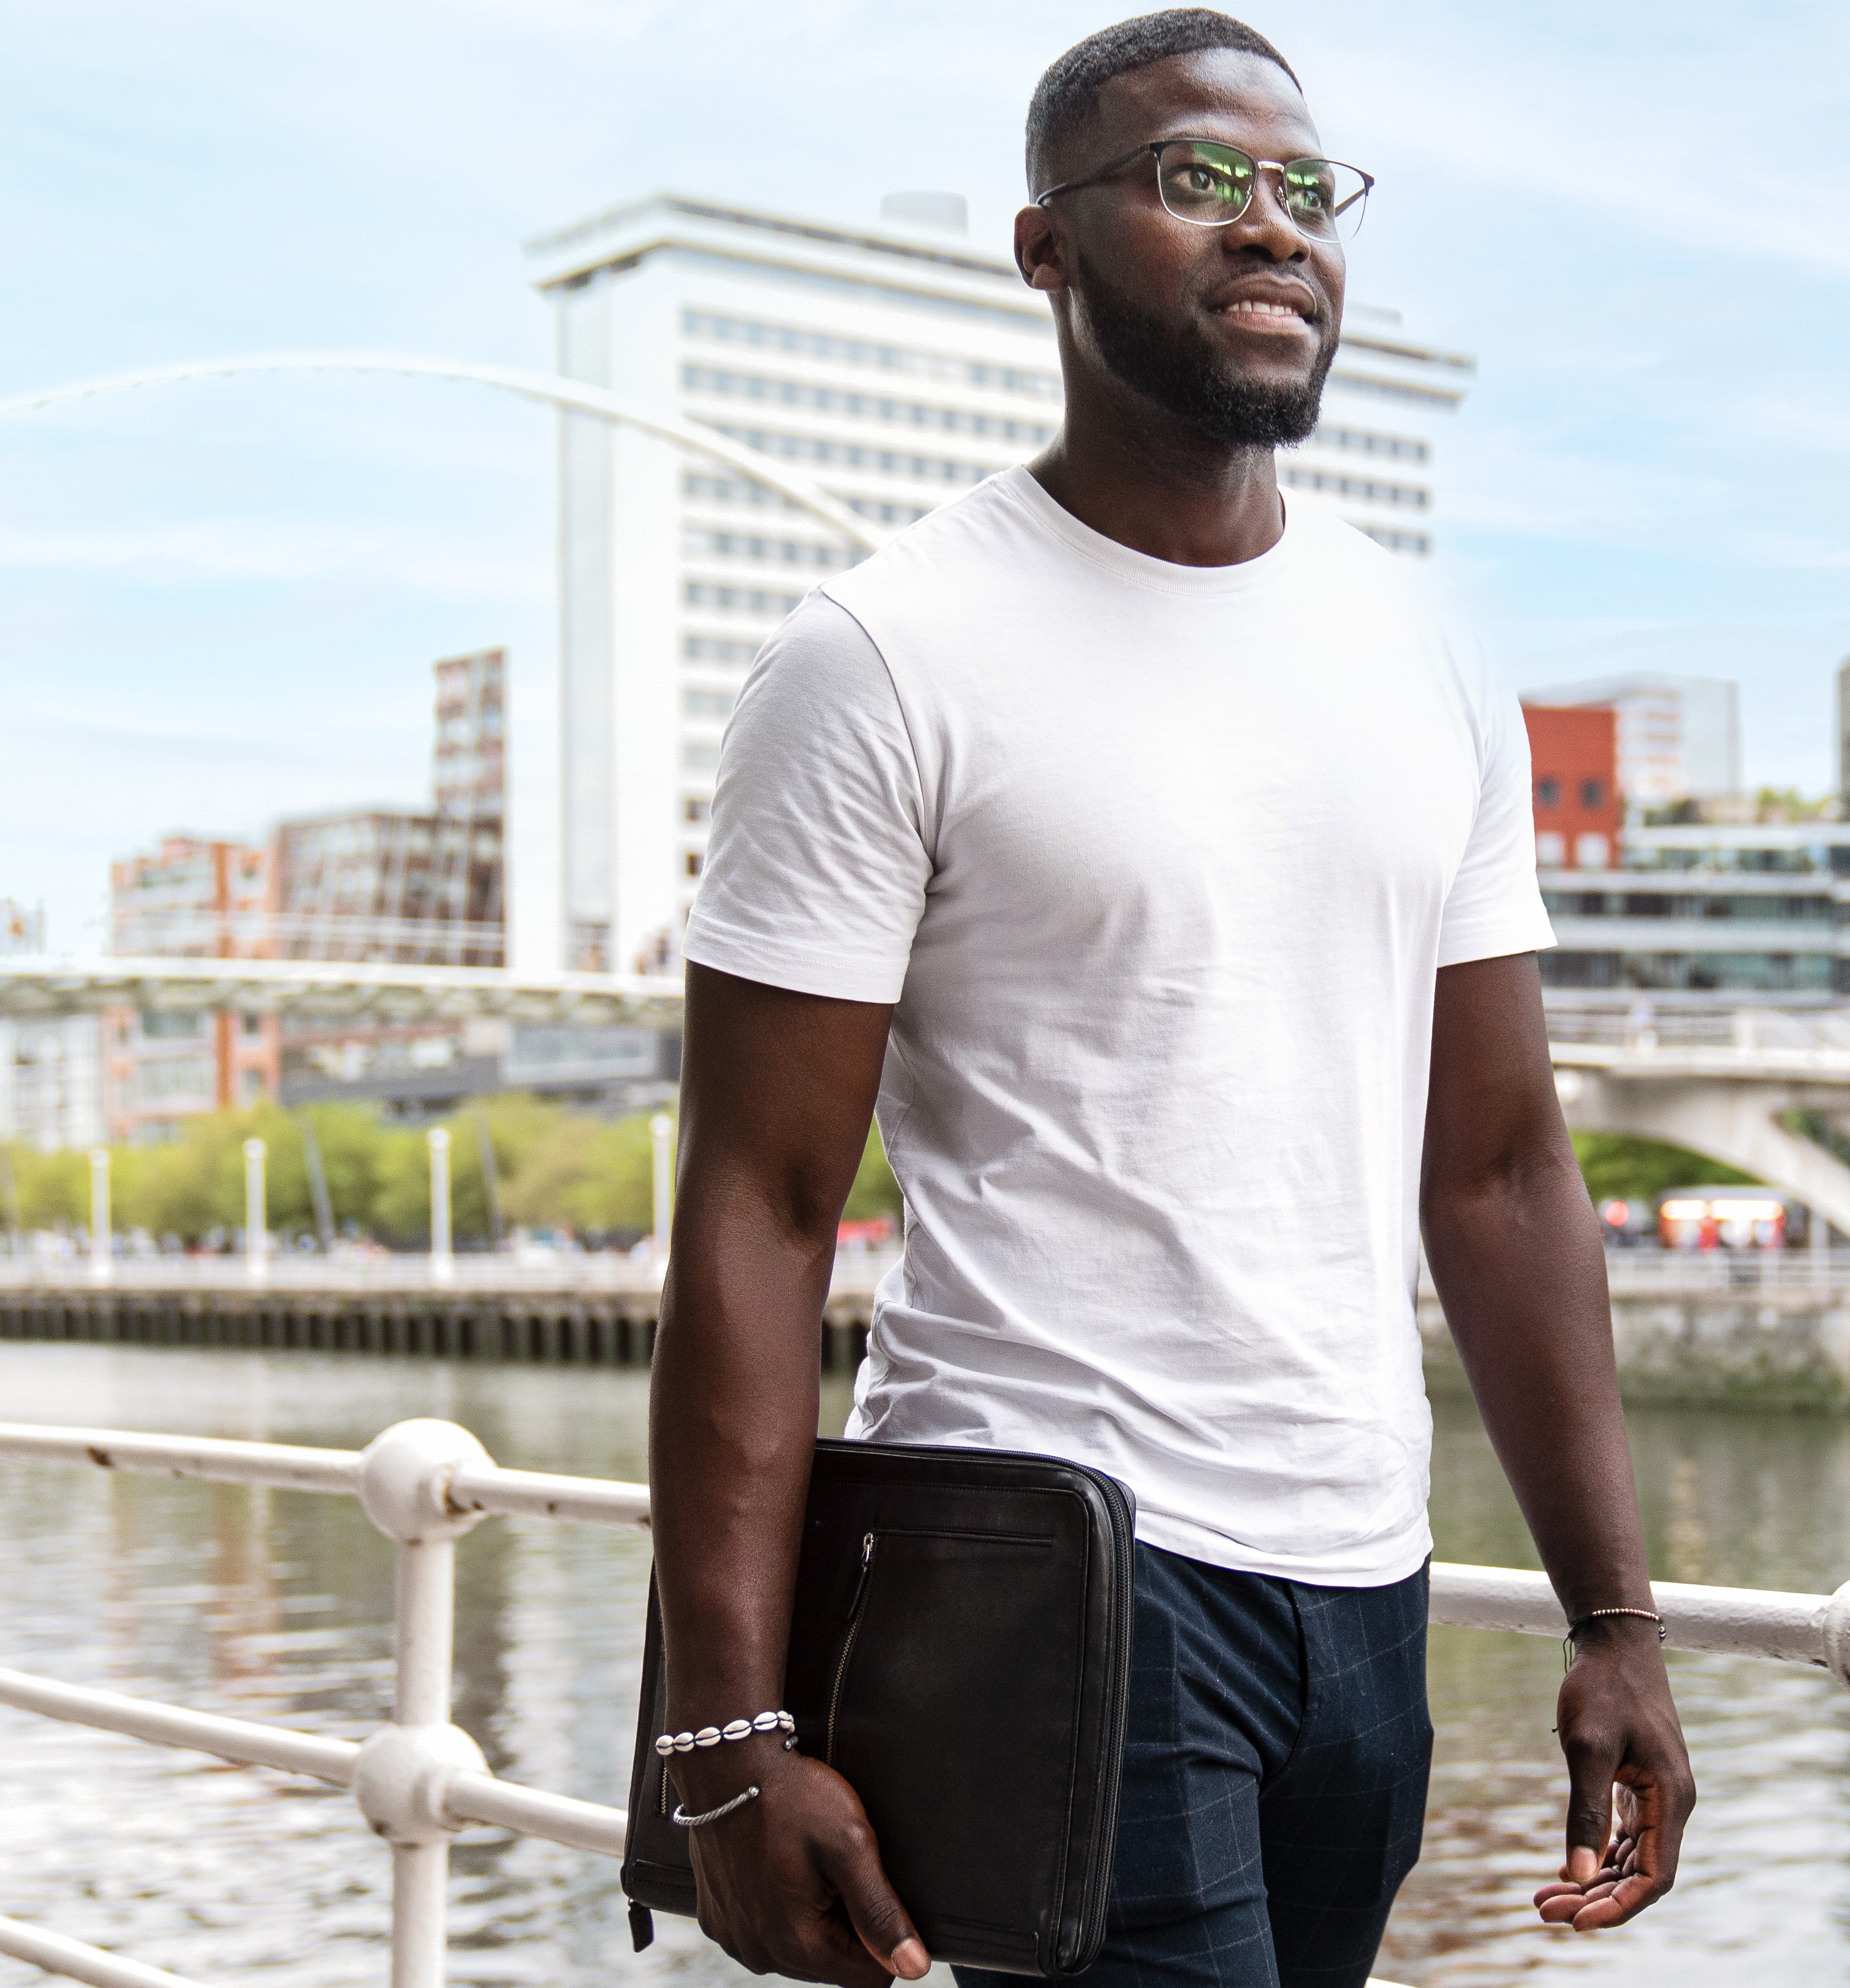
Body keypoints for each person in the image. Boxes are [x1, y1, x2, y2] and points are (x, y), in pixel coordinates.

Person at [642, 14, 1692, 1985]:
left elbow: (1500, 1166)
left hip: (1367, 1589)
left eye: (1307, 192)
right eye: (1200, 181)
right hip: (1057, 1570)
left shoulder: (1427, 651)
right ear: (1046, 250)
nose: (1272, 230)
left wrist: (1611, 1616)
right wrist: (724, 1733)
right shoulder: (882, 657)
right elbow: (759, 1210)